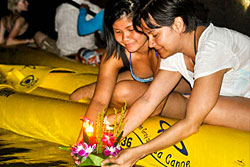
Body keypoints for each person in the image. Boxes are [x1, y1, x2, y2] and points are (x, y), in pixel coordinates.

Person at [101, 0, 250, 166]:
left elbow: (191, 123)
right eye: (148, 36)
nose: (150, 43)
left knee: (206, 109)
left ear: (178, 24)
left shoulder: (213, 46)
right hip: (236, 104)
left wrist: (137, 152)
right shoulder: (175, 51)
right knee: (194, 103)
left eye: (154, 35)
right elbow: (149, 99)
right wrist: (110, 139)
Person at [70, 0, 191, 143]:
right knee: (77, 96)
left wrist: (112, 120)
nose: (125, 38)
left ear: (144, 24)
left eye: (131, 30)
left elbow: (155, 105)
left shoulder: (162, 48)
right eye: (118, 32)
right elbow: (99, 100)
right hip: (147, 87)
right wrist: (86, 136)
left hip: (181, 99)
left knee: (122, 91)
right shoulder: (117, 52)